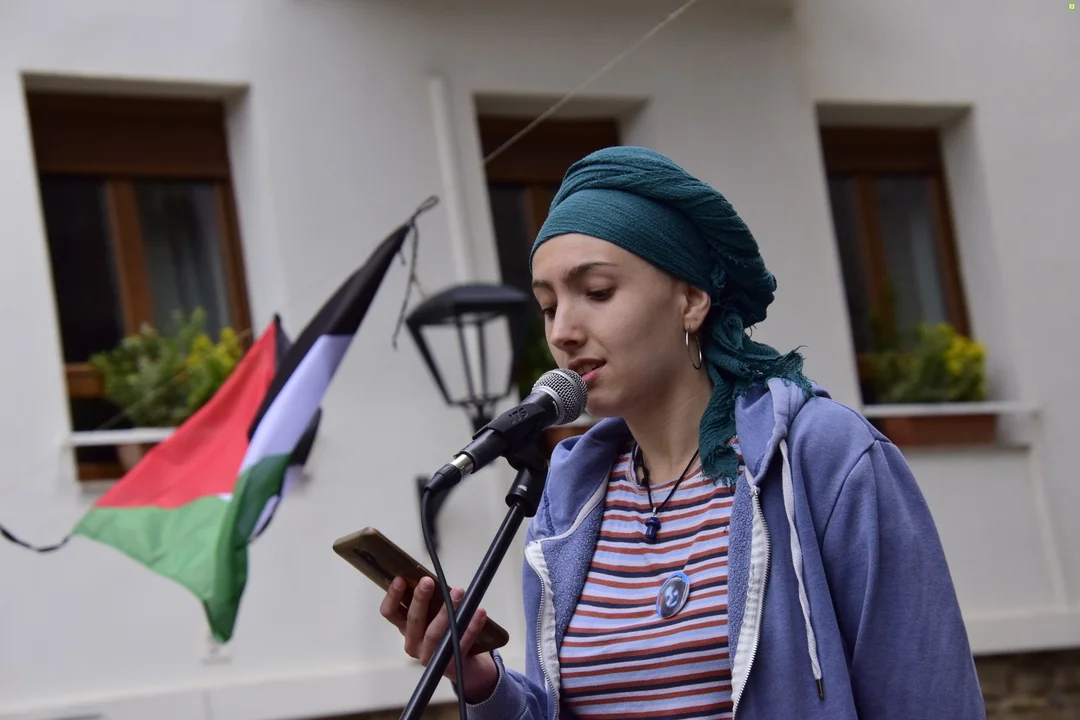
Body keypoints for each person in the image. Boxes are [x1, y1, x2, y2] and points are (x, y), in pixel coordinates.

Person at [380, 146, 987, 719]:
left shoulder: (821, 455)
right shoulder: (567, 498)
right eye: (548, 305)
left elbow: (928, 695)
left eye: (597, 292)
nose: (563, 330)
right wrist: (481, 681)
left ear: (691, 300)